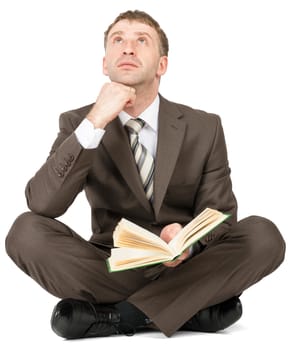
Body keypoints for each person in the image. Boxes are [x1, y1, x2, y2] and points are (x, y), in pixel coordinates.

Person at [6, 10, 285, 339]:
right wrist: (95, 121)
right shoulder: (77, 122)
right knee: (25, 232)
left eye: (142, 40)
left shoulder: (204, 126)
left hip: (187, 265)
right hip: (111, 267)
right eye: (118, 40)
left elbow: (221, 215)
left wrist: (189, 243)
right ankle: (187, 309)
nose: (128, 47)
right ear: (105, 64)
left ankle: (119, 316)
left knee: (264, 236)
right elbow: (42, 204)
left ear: (162, 65)